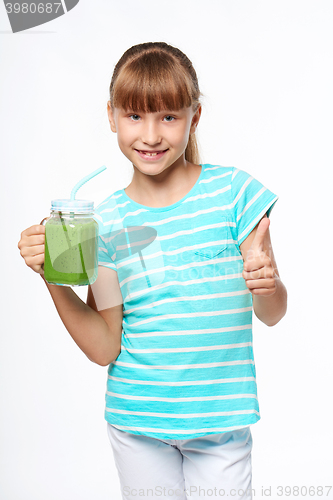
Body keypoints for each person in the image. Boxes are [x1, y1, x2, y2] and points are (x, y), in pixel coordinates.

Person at [18, 42, 287, 500]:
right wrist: (52, 277)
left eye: (168, 116)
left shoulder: (234, 193)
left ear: (194, 117)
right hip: (137, 424)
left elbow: (272, 312)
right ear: (112, 117)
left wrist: (269, 284)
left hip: (219, 423)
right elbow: (105, 346)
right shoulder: (103, 225)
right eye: (134, 116)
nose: (150, 135)